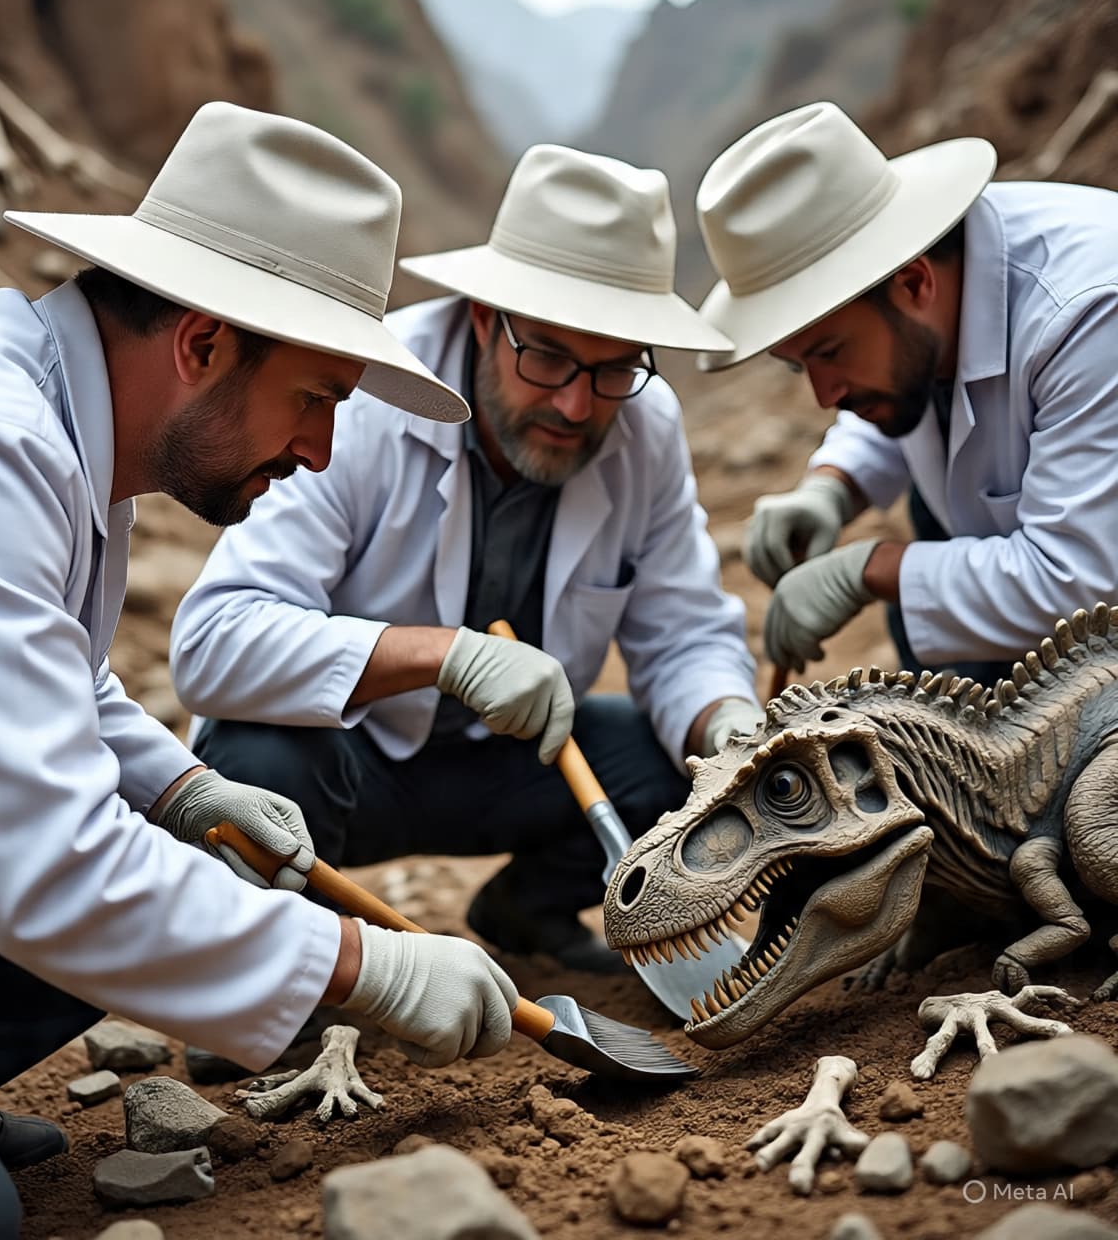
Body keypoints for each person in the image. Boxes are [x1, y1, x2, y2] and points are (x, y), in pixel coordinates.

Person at [0, 103, 519, 1240]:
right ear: (202, 342)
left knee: (170, 852)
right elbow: (45, 869)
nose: (317, 451)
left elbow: (45, 671)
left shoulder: (49, 415)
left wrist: (180, 789)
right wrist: (366, 965)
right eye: (317, 397)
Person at [170, 143, 761, 975]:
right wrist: (441, 656)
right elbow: (215, 643)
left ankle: (528, 909)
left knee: (679, 767)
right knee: (253, 756)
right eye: (548, 356)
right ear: (485, 316)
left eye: (615, 366)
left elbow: (685, 634)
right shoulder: (363, 394)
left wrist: (725, 726)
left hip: (515, 771)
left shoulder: (643, 423)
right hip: (352, 763)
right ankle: (275, 968)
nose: (576, 403)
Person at [693, 101, 1118, 683]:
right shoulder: (925, 301)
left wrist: (870, 568)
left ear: (914, 281)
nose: (823, 396)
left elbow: (1079, 582)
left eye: (829, 353)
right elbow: (892, 396)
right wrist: (832, 487)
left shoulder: (1089, 315)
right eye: (797, 367)